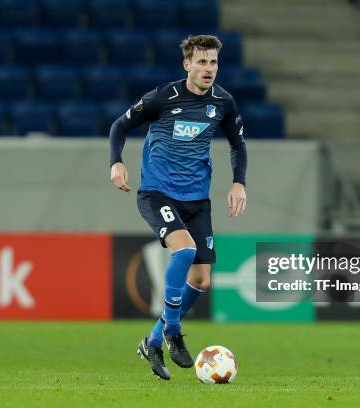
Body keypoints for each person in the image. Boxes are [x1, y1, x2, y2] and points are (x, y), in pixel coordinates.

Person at [109, 34, 247, 380]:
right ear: (187, 65)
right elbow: (120, 126)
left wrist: (238, 182)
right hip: (158, 193)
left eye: (213, 62)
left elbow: (237, 144)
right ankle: (171, 331)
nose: (208, 69)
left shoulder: (223, 103)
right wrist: (116, 162)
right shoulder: (163, 97)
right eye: (201, 62)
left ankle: (152, 342)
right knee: (184, 251)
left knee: (201, 280)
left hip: (197, 200)